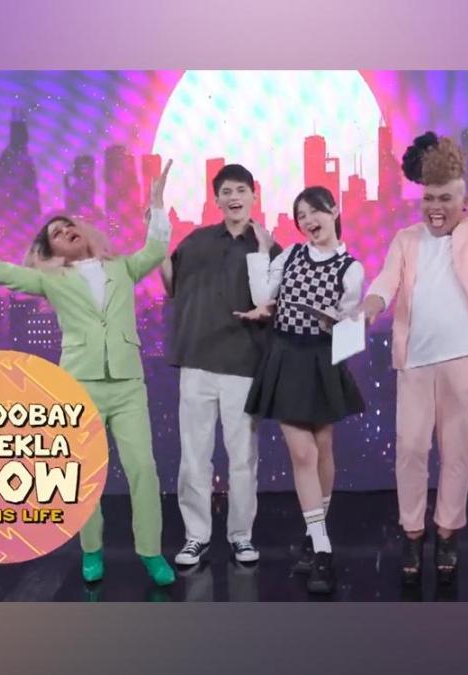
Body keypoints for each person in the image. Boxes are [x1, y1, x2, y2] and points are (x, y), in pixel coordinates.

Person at [0, 160, 176, 587]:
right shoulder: (51, 280)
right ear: (52, 252)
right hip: (79, 384)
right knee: (86, 475)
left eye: (68, 226)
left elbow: (155, 251)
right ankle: (92, 551)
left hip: (127, 384)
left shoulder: (121, 267)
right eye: (57, 233)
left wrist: (156, 205)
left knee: (143, 468)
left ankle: (151, 553)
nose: (66, 231)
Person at [362, 72, 468, 585]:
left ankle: (448, 532)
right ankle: (412, 533)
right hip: (415, 362)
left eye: (445, 199)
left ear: (463, 200)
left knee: (457, 450)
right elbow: (385, 282)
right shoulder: (406, 240)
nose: (436, 208)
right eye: (429, 199)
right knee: (411, 448)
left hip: (466, 358)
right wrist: (371, 305)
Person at [242, 186, 366, 594]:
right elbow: (264, 296)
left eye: (315, 211)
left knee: (323, 448)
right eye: (301, 216)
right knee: (303, 453)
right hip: (285, 358)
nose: (309, 221)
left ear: (334, 211)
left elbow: (352, 330)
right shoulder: (291, 255)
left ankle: (313, 539)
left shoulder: (351, 269)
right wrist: (263, 251)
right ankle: (324, 549)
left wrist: (336, 324)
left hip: (321, 359)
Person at [160, 164, 282, 567]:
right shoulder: (196, 241)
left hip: (244, 364)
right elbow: (170, 284)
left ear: (254, 195)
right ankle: (195, 536)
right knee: (194, 456)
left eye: (241, 190)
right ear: (216, 200)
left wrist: (264, 257)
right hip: (196, 362)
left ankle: (241, 536)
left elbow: (277, 303)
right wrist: (156, 239)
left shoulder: (268, 246)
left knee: (243, 458)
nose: (234, 197)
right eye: (226, 191)